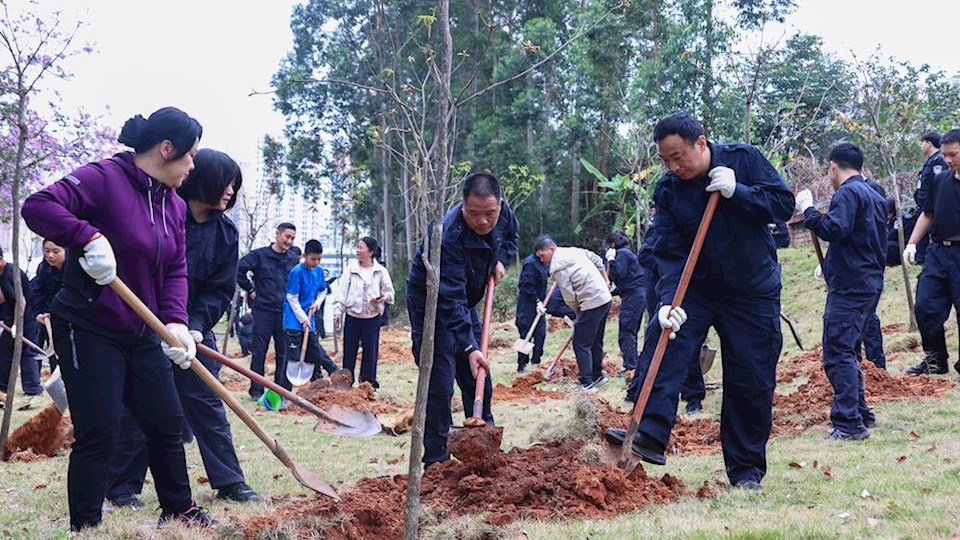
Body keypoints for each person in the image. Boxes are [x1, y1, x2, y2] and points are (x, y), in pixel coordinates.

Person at [21, 107, 214, 530]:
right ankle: (85, 526)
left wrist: (176, 322)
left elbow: (176, 268)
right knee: (100, 429)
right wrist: (85, 235)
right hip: (88, 325)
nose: (193, 164)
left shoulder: (174, 206)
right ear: (166, 149)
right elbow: (37, 206)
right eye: (190, 155)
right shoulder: (104, 178)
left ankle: (178, 509)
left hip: (142, 328)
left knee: (166, 421)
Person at [606, 112, 793, 490]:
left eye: (678, 156)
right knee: (667, 339)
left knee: (750, 377)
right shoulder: (669, 190)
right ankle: (652, 433)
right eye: (665, 160)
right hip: (698, 287)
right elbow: (669, 251)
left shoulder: (743, 159)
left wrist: (738, 191)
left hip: (751, 290)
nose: (673, 166)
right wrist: (667, 301)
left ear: (702, 144)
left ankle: (745, 471)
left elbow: (782, 206)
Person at [106, 148, 261, 508]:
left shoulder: (226, 233)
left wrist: (194, 327)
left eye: (235, 186)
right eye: (227, 183)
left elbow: (219, 290)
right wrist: (159, 322)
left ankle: (229, 481)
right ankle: (122, 486)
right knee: (140, 405)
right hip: (148, 325)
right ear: (203, 178)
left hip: (193, 332)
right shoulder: (158, 214)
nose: (230, 192)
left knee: (208, 403)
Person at [407, 171, 511, 467]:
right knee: (439, 381)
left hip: (464, 298)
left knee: (478, 374)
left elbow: (510, 238)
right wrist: (469, 345)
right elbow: (448, 298)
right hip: (431, 301)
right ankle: (437, 460)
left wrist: (500, 259)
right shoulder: (446, 235)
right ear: (462, 205)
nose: (482, 221)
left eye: (489, 213)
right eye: (474, 213)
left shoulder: (503, 214)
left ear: (499, 206)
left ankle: (485, 439)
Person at [796, 143, 886, 440]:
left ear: (833, 166)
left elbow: (835, 229)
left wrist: (809, 212)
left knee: (837, 351)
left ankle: (848, 423)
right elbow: (858, 237)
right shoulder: (875, 194)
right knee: (851, 349)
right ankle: (860, 411)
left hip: (851, 286)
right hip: (868, 281)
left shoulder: (848, 193)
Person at [904, 128, 960, 376]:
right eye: (946, 155)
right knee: (926, 306)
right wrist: (912, 243)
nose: (948, 160)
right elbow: (928, 214)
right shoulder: (940, 180)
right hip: (938, 252)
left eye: (953, 155)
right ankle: (935, 360)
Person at [534, 236, 612, 390]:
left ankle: (586, 383)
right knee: (595, 340)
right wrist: (605, 280)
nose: (542, 260)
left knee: (581, 342)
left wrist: (577, 311)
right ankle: (598, 376)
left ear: (551, 249)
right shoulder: (573, 251)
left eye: (542, 256)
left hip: (591, 302)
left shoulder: (557, 267)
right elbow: (596, 259)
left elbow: (569, 296)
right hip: (604, 298)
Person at [237, 222, 300, 400]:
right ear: (277, 235)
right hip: (263, 310)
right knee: (259, 351)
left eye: (292, 238)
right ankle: (256, 391)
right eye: (287, 237)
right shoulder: (259, 256)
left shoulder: (293, 260)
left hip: (285, 313)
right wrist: (250, 290)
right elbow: (239, 269)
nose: (289, 241)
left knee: (284, 352)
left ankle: (281, 391)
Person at [332, 237, 394, 387]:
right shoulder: (350, 269)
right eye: (357, 248)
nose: (358, 251)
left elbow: (390, 293)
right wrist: (338, 312)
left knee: (370, 351)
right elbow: (341, 292)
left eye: (361, 248)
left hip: (372, 317)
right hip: (353, 316)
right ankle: (346, 382)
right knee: (349, 350)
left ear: (371, 252)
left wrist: (382, 298)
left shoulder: (380, 271)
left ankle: (367, 384)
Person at [281, 239, 339, 390]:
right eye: (313, 259)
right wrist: (302, 319)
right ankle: (285, 392)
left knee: (315, 353)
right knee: (292, 357)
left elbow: (323, 290)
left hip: (310, 318)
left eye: (319, 259)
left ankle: (317, 387)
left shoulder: (319, 271)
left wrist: (317, 303)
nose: (316, 262)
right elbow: (291, 298)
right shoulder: (297, 272)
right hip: (293, 321)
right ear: (304, 256)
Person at [0, 246, 41, 409]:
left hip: (26, 317)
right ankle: (2, 390)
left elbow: (21, 301)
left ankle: (32, 390)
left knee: (27, 353)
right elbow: (2, 299)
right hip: (10, 318)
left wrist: (17, 324)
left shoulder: (11, 272)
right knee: (4, 353)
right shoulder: (1, 274)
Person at [604, 231, 645, 373]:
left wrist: (611, 261)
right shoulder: (627, 254)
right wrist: (610, 292)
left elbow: (619, 274)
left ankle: (631, 366)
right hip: (635, 294)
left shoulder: (622, 254)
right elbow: (626, 281)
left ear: (612, 245)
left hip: (633, 296)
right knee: (630, 331)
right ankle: (631, 364)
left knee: (626, 332)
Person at [912, 131, 946, 264]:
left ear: (929, 143)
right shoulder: (929, 161)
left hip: (933, 203)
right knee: (922, 231)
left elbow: (939, 183)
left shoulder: (939, 160)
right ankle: (920, 258)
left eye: (923, 143)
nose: (921, 146)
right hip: (923, 202)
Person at [514, 250, 549, 372]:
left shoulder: (543, 263)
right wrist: (536, 300)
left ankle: (536, 363)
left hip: (540, 306)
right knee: (525, 335)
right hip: (527, 306)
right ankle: (522, 366)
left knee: (541, 334)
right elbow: (525, 286)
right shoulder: (530, 263)